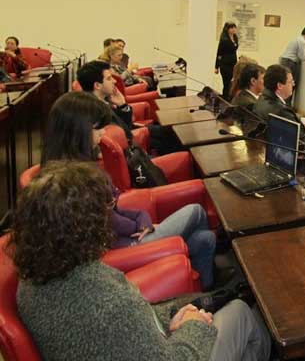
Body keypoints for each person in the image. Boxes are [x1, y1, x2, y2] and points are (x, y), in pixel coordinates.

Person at [10, 161, 271, 360]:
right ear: (87, 227)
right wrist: (193, 327)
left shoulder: (30, 280)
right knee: (242, 313)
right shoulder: (107, 302)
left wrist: (171, 319)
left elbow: (130, 331)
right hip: (168, 350)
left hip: (144, 342)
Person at [41, 91, 219, 288]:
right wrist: (139, 226)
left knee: (206, 239)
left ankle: (206, 288)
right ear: (77, 130)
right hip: (120, 250)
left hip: (125, 238)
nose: (103, 132)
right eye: (97, 127)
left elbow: (114, 211)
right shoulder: (71, 180)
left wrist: (142, 219)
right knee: (196, 210)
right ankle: (201, 288)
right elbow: (110, 221)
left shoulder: (74, 166)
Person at [78, 60, 182, 154]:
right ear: (97, 85)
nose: (114, 81)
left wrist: (122, 105)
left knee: (170, 132)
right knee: (173, 136)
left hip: (131, 134)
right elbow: (125, 134)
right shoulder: (95, 110)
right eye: (109, 78)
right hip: (130, 144)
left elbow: (124, 126)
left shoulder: (102, 100)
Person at [279, 26, 305, 90]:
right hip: (290, 63)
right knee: (290, 84)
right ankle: (287, 100)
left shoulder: (297, 39)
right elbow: (302, 57)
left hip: (285, 61)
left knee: (284, 83)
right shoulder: (302, 41)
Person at [215, 22, 239, 101]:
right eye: (231, 28)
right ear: (227, 29)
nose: (233, 29)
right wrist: (216, 66)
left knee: (232, 83)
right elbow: (219, 53)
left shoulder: (235, 38)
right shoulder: (224, 39)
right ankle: (225, 99)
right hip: (225, 64)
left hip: (233, 63)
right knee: (227, 83)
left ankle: (230, 98)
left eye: (234, 27)